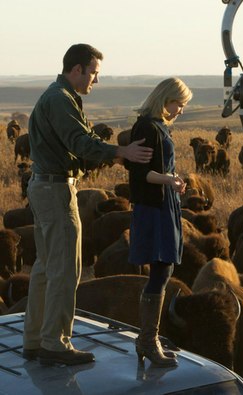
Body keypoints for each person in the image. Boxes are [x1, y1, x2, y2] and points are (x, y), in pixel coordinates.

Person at [22, 43, 154, 366]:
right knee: (66, 267)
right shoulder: (60, 100)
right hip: (56, 191)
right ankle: (56, 342)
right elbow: (79, 143)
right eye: (93, 72)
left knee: (45, 266)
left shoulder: (59, 97)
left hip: (44, 187)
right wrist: (122, 152)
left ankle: (35, 338)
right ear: (77, 69)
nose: (96, 79)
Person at [128, 77, 192, 367]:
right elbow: (140, 173)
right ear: (165, 99)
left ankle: (148, 340)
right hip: (154, 206)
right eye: (179, 103)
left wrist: (173, 181)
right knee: (161, 269)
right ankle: (147, 340)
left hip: (164, 203)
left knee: (163, 268)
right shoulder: (147, 127)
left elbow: (156, 169)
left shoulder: (159, 127)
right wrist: (169, 179)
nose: (181, 109)